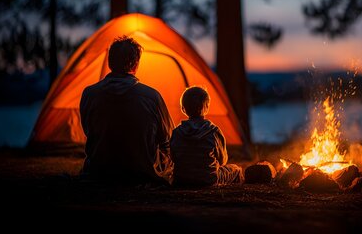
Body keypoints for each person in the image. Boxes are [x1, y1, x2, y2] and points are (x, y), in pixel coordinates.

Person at [80, 35, 174, 184]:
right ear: (136, 65)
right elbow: (167, 140)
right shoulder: (151, 96)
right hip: (142, 175)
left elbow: (88, 131)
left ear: (110, 62)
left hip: (98, 173)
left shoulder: (90, 94)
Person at [170, 86, 244, 187]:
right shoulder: (213, 131)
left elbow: (173, 158)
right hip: (208, 180)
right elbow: (222, 160)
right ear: (207, 107)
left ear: (183, 109)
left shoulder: (176, 133)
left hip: (181, 180)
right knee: (235, 169)